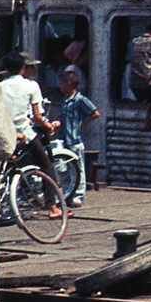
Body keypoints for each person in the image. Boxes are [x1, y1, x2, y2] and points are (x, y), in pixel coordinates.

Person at [0, 51, 65, 219]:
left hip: (6, 133)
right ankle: (52, 207)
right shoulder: (31, 86)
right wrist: (47, 125)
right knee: (47, 166)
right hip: (25, 133)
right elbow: (37, 117)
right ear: (23, 68)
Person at [57, 70, 99, 209]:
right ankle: (67, 194)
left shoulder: (80, 99)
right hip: (64, 139)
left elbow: (95, 113)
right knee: (65, 170)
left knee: (79, 169)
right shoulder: (65, 100)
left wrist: (82, 124)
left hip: (74, 140)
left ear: (69, 84)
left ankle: (78, 196)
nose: (60, 87)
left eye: (62, 83)